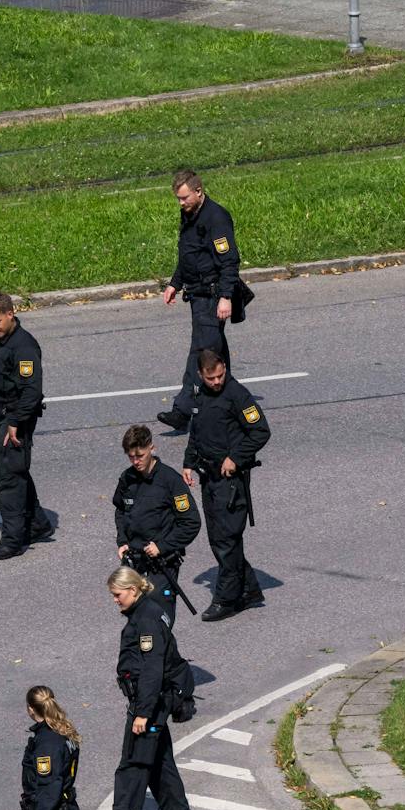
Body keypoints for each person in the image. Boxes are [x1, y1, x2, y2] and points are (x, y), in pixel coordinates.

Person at [83, 568, 202, 810]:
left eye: (117, 594)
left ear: (133, 590)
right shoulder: (146, 611)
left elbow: (152, 670)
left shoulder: (147, 618)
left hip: (151, 704)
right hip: (155, 702)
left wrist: (143, 714)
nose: (115, 600)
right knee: (161, 770)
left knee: (132, 770)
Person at [183, 349, 271, 621]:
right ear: (201, 375)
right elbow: (197, 431)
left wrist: (236, 457)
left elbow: (260, 431)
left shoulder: (237, 394)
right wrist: (188, 462)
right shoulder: (200, 393)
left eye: (220, 375)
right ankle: (249, 590)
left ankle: (226, 599)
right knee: (218, 538)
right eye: (211, 378)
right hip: (209, 476)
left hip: (230, 480)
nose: (217, 382)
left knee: (226, 540)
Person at [0, 292, 52, 560]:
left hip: (15, 418)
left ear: (10, 314)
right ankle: (38, 523)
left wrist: (15, 422)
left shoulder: (24, 347)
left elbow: (31, 392)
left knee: (10, 479)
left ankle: (13, 540)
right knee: (14, 472)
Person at [158, 170, 245, 432]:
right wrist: (175, 282)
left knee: (200, 353)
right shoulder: (190, 214)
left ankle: (182, 411)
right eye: (178, 199)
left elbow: (229, 261)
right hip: (197, 294)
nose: (180, 203)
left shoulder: (216, 218)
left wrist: (226, 297)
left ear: (198, 191)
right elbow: (189, 253)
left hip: (212, 296)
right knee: (217, 355)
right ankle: (236, 404)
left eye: (184, 198)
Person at [113, 424, 201, 622]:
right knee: (135, 618)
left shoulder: (171, 481)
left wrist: (162, 546)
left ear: (152, 448)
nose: (135, 461)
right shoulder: (127, 479)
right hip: (134, 560)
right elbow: (120, 510)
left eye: (140, 455)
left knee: (158, 619)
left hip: (160, 564)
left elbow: (191, 523)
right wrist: (122, 541)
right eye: (131, 457)